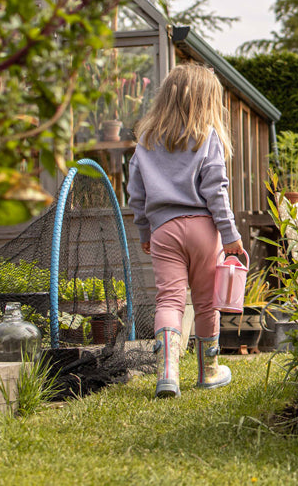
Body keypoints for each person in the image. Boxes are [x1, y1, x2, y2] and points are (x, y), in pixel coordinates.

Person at [127, 63, 245, 398]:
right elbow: (216, 192)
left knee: (170, 299)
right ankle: (208, 372)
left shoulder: (146, 141)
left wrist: (145, 232)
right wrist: (231, 234)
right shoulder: (208, 138)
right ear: (207, 101)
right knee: (206, 303)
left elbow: (136, 195)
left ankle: (168, 373)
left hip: (163, 230)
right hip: (204, 230)